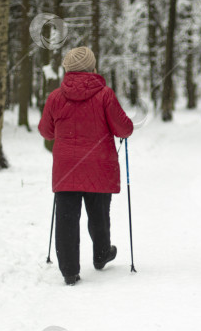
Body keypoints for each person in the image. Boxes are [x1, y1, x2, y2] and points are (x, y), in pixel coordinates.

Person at [39, 46, 134, 285]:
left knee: (67, 218)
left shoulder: (55, 97)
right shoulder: (105, 95)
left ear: (67, 70)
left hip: (66, 168)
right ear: (92, 68)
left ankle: (70, 271)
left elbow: (46, 131)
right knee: (99, 215)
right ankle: (101, 254)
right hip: (99, 166)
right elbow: (124, 129)